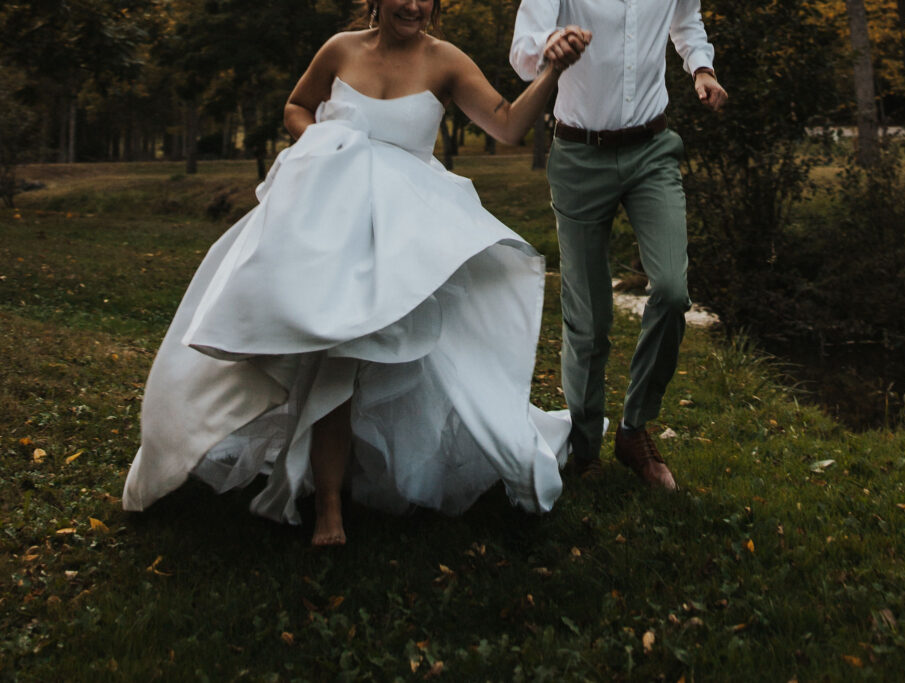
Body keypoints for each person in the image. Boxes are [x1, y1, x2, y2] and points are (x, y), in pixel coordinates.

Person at [122, 0, 591, 545]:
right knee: (332, 350)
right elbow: (297, 106)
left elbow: (508, 126)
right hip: (331, 224)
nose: (413, 5)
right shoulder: (339, 50)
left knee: (417, 360)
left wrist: (553, 72)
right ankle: (327, 507)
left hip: (403, 235)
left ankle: (387, 473)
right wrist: (323, 143)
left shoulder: (447, 61)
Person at [510, 1, 728, 489]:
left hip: (652, 150)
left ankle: (634, 430)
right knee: (588, 319)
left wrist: (702, 68)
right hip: (579, 153)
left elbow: (686, 21)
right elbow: (523, 53)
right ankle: (585, 447)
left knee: (672, 291)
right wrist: (549, 47)